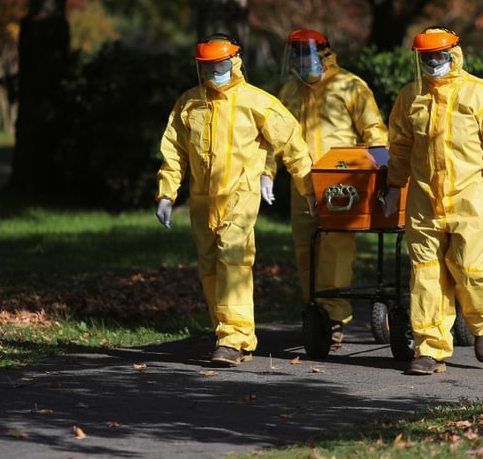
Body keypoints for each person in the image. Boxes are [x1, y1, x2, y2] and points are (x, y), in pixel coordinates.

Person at [155, 33, 317, 367]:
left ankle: (233, 337)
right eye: (209, 64)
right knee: (210, 266)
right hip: (202, 199)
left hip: (241, 194)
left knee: (233, 258)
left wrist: (309, 189)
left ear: (235, 61)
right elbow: (174, 153)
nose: (216, 69)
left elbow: (292, 145)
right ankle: (226, 334)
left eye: (221, 63)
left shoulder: (257, 102)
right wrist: (166, 193)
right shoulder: (189, 103)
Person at [382, 26, 483, 375]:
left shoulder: (478, 94)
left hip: (470, 199)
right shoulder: (410, 97)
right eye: (427, 57)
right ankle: (430, 350)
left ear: (454, 54)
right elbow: (398, 148)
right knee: (426, 275)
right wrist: (394, 187)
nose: (433, 63)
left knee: (471, 270)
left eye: (440, 56)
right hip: (423, 201)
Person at [265, 29, 388, 343]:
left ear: (323, 54)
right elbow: (274, 138)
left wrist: (382, 175)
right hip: (301, 184)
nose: (302, 61)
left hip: (341, 186)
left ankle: (333, 317)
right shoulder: (290, 90)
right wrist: (267, 172)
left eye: (306, 54)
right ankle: (314, 311)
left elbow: (374, 132)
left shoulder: (349, 86)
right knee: (305, 249)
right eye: (296, 55)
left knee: (335, 249)